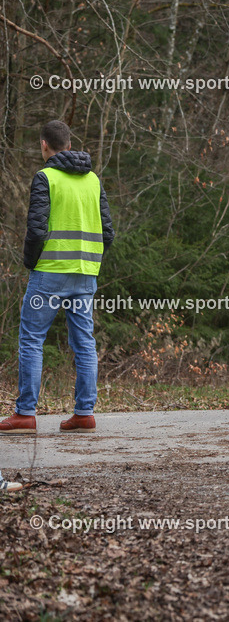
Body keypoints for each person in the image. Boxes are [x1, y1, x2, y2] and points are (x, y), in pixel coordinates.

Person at [1, 120, 115, 435]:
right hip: (85, 275)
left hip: (49, 274)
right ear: (69, 143)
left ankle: (25, 414)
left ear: (44, 145)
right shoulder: (93, 180)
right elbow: (108, 232)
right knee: (84, 342)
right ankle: (84, 413)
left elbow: (36, 230)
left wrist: (29, 262)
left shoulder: (45, 177)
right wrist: (89, 259)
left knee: (32, 338)